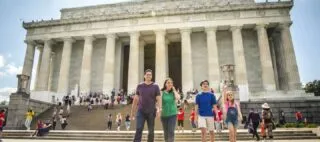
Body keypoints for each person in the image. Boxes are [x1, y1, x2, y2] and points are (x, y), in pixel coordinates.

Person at [131, 69, 161, 142]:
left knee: (151, 131)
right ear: (144, 76)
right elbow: (135, 100)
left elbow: (159, 99)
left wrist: (159, 110)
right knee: (139, 128)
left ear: (151, 76)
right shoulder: (140, 86)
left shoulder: (155, 86)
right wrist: (132, 112)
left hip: (151, 111)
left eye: (150, 75)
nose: (148, 76)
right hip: (141, 111)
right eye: (147, 74)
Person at [160, 78, 180, 142]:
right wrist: (158, 110)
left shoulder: (173, 92)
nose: (170, 84)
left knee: (171, 131)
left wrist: (174, 90)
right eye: (168, 83)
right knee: (166, 132)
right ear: (165, 84)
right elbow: (159, 102)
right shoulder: (161, 92)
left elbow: (178, 98)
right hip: (164, 114)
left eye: (171, 83)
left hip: (172, 114)